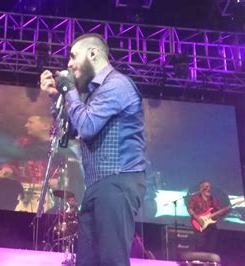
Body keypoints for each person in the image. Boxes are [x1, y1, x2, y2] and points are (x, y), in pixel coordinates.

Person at [39, 33, 146, 266]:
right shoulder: (95, 93)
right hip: (99, 185)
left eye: (73, 56)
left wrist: (68, 89)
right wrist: (54, 97)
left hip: (118, 181)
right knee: (88, 261)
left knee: (111, 260)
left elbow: (86, 127)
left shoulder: (116, 84)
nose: (68, 63)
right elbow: (69, 132)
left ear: (93, 53)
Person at [187, 180, 220, 253]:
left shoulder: (213, 199)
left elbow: (218, 212)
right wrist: (197, 218)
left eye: (210, 187)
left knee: (211, 247)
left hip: (211, 226)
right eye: (206, 186)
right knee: (199, 246)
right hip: (199, 225)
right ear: (201, 188)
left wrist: (220, 213)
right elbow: (189, 208)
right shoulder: (195, 198)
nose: (209, 188)